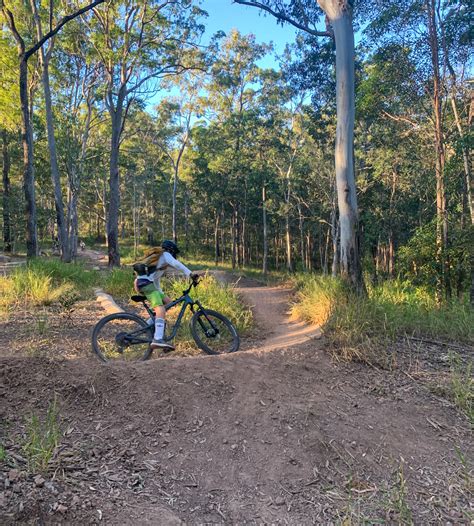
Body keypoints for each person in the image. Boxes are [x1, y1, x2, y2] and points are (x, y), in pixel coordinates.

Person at [133, 240, 198, 351]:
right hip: (145, 284)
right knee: (160, 309)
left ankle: (146, 327)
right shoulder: (165, 254)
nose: (174, 256)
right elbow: (176, 264)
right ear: (171, 251)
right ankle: (157, 339)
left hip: (145, 283)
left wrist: (161, 296)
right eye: (174, 254)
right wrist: (190, 274)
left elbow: (156, 282)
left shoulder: (159, 264)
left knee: (168, 302)